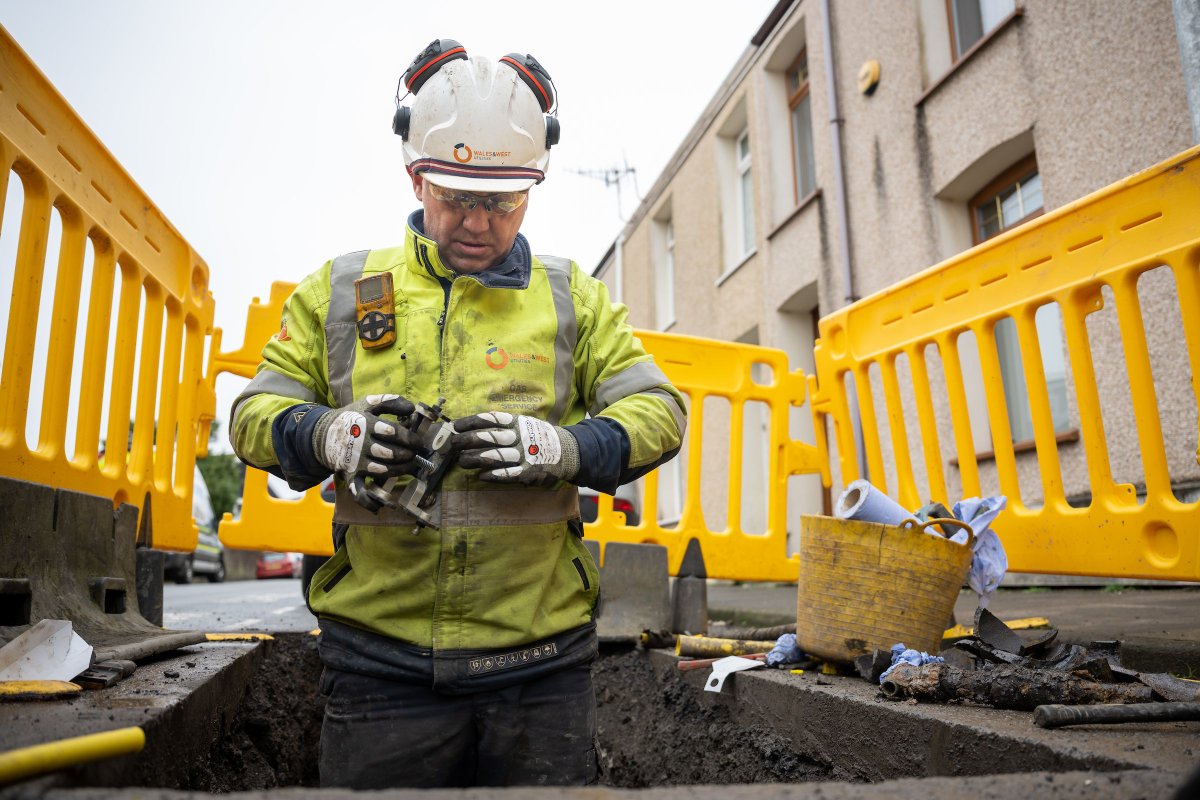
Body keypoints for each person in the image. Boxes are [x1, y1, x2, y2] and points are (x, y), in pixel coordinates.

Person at [228, 39, 686, 789]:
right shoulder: (342, 291)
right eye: (456, 197)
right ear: (415, 177)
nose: (479, 222)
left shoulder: (572, 298)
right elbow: (253, 414)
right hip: (380, 663)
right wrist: (326, 433)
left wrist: (566, 450)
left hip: (540, 665)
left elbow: (660, 411)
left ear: (533, 186)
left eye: (503, 201)